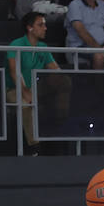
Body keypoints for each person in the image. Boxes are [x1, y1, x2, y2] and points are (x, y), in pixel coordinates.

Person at [5, 11, 69, 151]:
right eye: (40, 25)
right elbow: (14, 71)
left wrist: (61, 82)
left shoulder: (43, 47)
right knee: (26, 105)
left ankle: (61, 126)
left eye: (45, 25)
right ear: (30, 28)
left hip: (36, 88)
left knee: (66, 82)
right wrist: (26, 93)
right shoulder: (16, 44)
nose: (45, 28)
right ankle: (33, 147)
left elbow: (56, 70)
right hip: (14, 89)